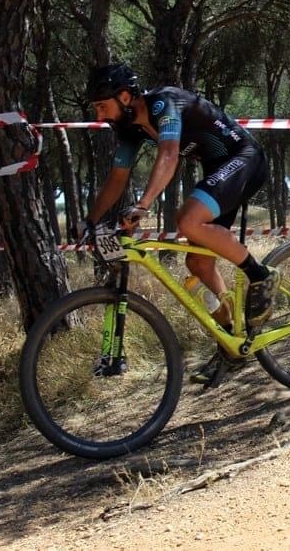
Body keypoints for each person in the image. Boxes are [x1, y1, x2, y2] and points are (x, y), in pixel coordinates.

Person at [83, 63, 279, 383]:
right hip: (219, 169)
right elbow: (117, 179)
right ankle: (232, 342)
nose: (101, 116)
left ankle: (261, 275)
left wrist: (144, 205)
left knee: (187, 220)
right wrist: (90, 221)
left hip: (244, 158)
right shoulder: (129, 128)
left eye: (103, 106)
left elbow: (170, 155)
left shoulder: (163, 103)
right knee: (199, 265)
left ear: (123, 96)